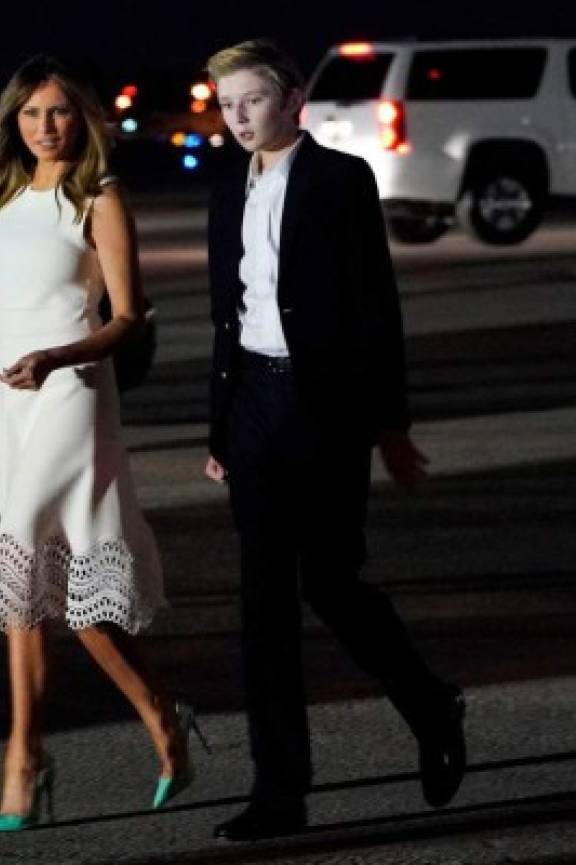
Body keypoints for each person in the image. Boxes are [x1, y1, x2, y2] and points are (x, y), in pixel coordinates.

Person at [0, 55, 203, 831]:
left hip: (72, 391)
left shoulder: (98, 197)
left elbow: (128, 318)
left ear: (84, 117)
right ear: (13, 124)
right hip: (11, 406)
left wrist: (59, 357)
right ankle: (164, 720)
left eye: (59, 112)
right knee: (63, 601)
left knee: (21, 558)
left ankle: (22, 762)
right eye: (31, 115)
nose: (45, 127)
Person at [202, 39, 466, 842]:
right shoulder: (224, 189)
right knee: (263, 605)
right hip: (251, 403)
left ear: (289, 100)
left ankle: (430, 704)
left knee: (332, 582)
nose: (238, 117)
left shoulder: (339, 180)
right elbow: (230, 313)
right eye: (225, 105)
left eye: (251, 100)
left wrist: (390, 426)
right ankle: (279, 791)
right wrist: (222, 428)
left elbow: (374, 308)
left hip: (323, 409)